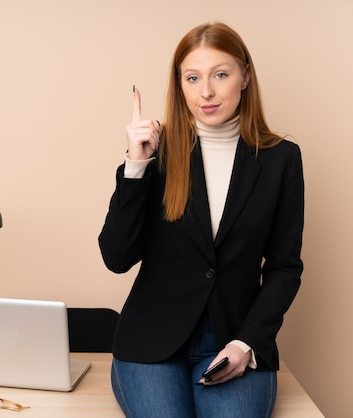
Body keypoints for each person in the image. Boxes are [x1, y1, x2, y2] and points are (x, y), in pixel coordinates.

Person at [98, 22, 304, 418]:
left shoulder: (282, 159)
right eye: (192, 78)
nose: (205, 92)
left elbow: (284, 267)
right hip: (152, 342)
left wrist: (246, 344)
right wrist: (136, 166)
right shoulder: (156, 150)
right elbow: (116, 257)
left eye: (220, 75)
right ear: (180, 85)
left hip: (234, 338)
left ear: (245, 76)